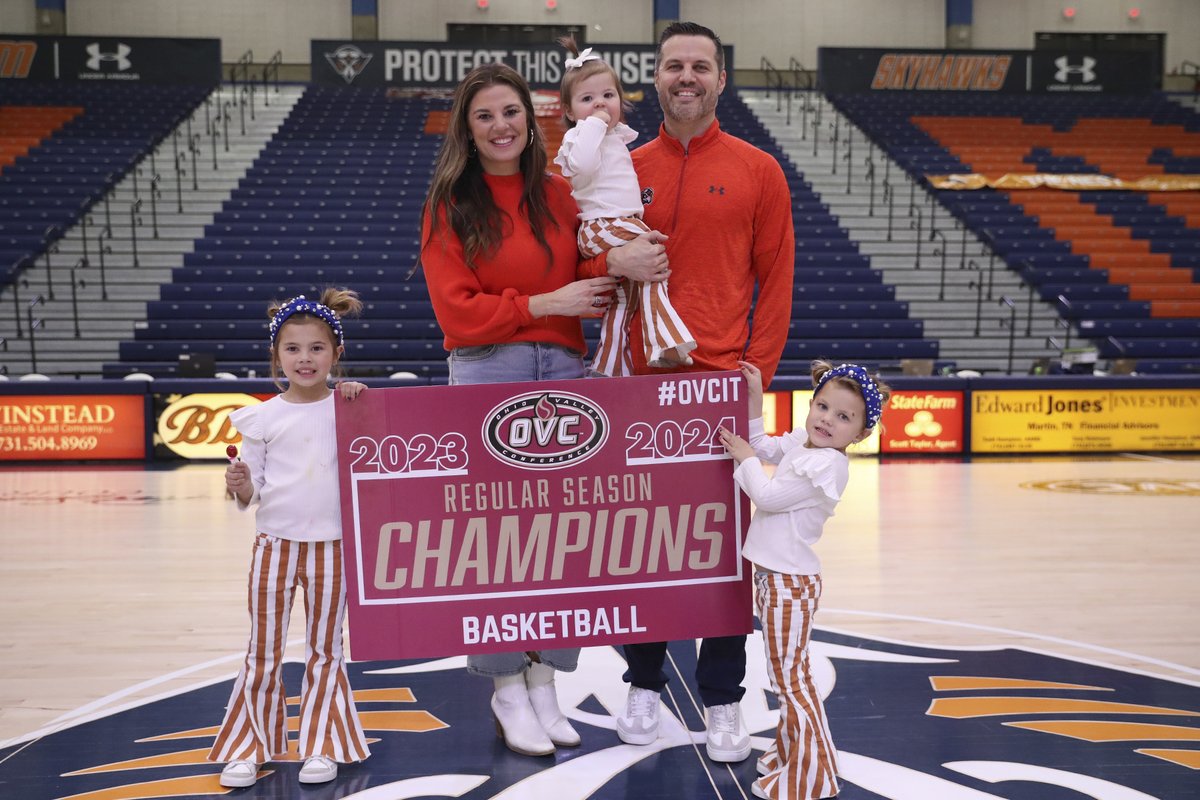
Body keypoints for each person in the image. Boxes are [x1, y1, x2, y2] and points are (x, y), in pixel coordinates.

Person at [578, 21, 796, 763]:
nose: (687, 77)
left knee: (727, 555)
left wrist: (757, 369)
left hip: (719, 389)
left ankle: (724, 698)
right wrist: (614, 256)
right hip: (633, 387)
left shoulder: (759, 169)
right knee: (640, 547)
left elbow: (778, 279)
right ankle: (641, 681)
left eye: (701, 66)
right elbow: (582, 250)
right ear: (657, 78)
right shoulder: (619, 165)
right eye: (674, 66)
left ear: (720, 79)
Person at [418, 62, 618, 758]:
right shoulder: (451, 201)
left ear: (532, 123)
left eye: (511, 112)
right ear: (467, 132)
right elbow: (457, 312)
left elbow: (589, 272)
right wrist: (544, 304)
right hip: (487, 373)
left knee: (563, 543)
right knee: (497, 545)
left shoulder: (559, 193)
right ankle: (505, 683)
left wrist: (622, 263)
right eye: (485, 116)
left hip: (565, 369)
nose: (501, 125)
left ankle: (546, 678)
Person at [210, 289, 372, 788]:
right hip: (274, 547)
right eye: (293, 349)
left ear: (336, 354)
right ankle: (246, 747)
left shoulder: (352, 406)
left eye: (317, 348)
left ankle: (321, 745)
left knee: (326, 649)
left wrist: (359, 399)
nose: (305, 359)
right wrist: (240, 487)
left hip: (336, 548)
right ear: (276, 355)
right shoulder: (261, 417)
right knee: (263, 649)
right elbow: (251, 492)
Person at [718, 360, 890, 800]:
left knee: (791, 682)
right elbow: (761, 443)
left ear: (861, 434)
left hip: (788, 584)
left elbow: (769, 496)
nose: (827, 420)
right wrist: (755, 398)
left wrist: (747, 460)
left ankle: (812, 776)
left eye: (844, 417)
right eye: (823, 407)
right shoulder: (806, 444)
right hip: (777, 580)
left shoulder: (829, 465)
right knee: (790, 677)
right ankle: (792, 753)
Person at [553, 35, 696, 375]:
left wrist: (605, 124)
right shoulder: (579, 137)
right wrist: (595, 124)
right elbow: (583, 166)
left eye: (608, 95)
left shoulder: (612, 136)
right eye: (587, 99)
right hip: (603, 225)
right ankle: (665, 340)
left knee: (623, 301)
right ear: (570, 112)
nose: (600, 105)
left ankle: (608, 366)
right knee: (654, 257)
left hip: (613, 225)